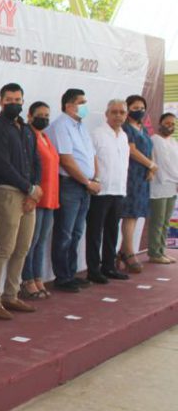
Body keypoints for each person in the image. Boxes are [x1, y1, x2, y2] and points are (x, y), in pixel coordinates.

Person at [0, 83, 42, 320]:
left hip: (29, 195)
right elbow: (1, 164)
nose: (14, 104)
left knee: (23, 247)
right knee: (5, 247)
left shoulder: (26, 129)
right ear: (0, 102)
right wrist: (29, 188)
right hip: (7, 192)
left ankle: (11, 294)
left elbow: (35, 161)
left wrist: (34, 190)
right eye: (9, 100)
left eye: (18, 100)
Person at [47, 88, 100, 292]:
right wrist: (87, 182)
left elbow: (92, 156)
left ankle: (71, 273)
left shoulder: (80, 126)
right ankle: (62, 277)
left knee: (77, 232)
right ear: (69, 106)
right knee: (65, 232)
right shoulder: (61, 126)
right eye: (81, 102)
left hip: (85, 185)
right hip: (70, 184)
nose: (85, 106)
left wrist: (95, 178)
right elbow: (66, 160)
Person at [86, 100, 131, 283]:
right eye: (114, 112)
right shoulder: (96, 134)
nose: (118, 115)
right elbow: (90, 160)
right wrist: (94, 182)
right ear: (107, 114)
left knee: (112, 231)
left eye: (122, 112)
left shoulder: (124, 136)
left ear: (126, 115)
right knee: (95, 232)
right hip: (100, 191)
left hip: (118, 191)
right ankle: (93, 270)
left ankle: (109, 267)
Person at [20, 101, 60, 298]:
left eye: (46, 115)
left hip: (50, 197)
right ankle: (27, 279)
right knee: (31, 241)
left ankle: (38, 277)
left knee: (41, 241)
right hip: (36, 196)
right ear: (29, 116)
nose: (44, 119)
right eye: (40, 115)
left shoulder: (45, 137)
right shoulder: (28, 136)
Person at [118, 94, 156, 273]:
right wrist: (150, 165)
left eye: (142, 108)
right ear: (128, 109)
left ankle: (123, 251)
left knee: (136, 215)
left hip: (143, 176)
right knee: (129, 214)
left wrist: (151, 166)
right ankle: (128, 252)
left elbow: (150, 149)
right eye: (135, 108)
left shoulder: (143, 128)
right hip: (131, 175)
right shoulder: (126, 128)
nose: (139, 111)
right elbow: (132, 151)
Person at [148, 112, 178, 263]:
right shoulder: (155, 140)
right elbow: (163, 164)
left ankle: (161, 251)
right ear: (160, 124)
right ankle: (154, 253)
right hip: (159, 185)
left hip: (172, 186)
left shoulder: (173, 141)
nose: (170, 126)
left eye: (173, 124)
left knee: (166, 221)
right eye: (167, 123)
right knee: (158, 221)